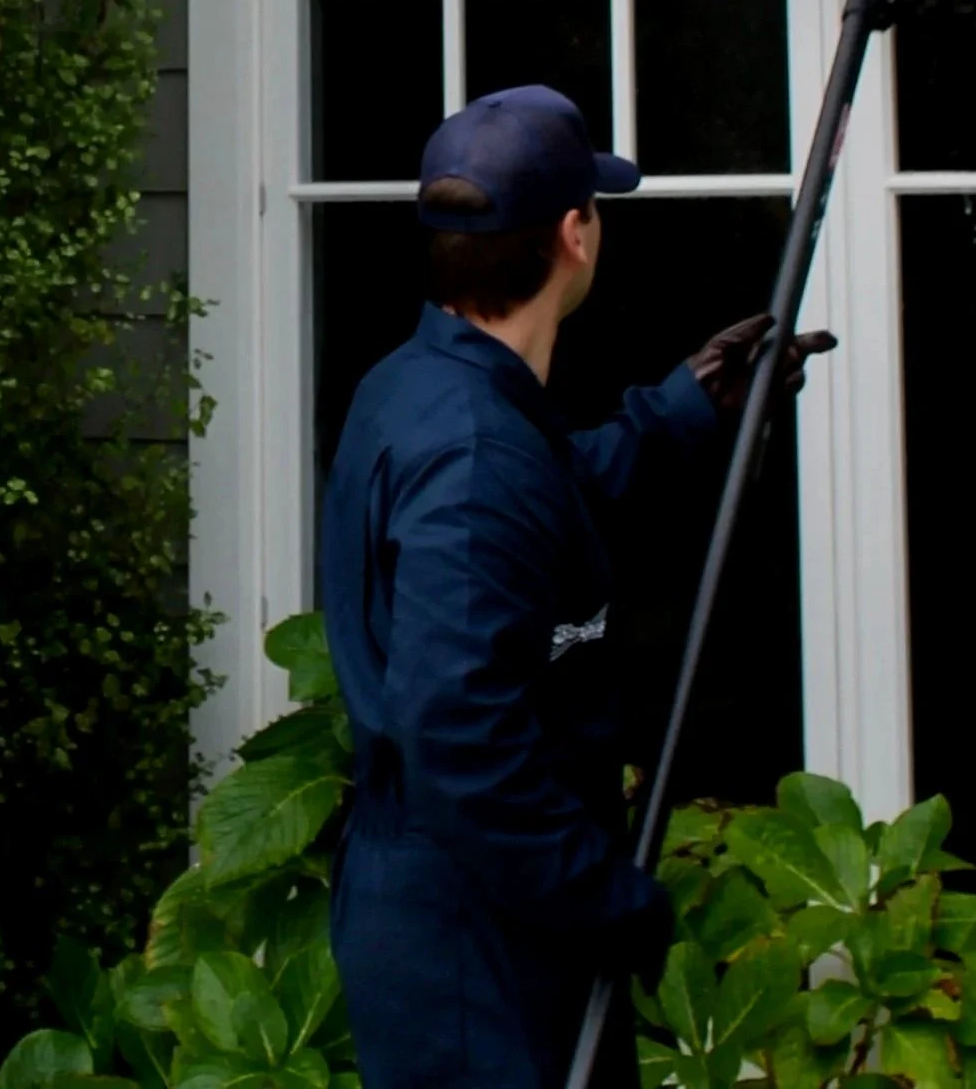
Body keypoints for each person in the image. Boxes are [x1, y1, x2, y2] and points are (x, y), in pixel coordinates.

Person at [319, 86, 836, 1088]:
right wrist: (609, 897)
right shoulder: (474, 451)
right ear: (572, 234)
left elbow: (547, 500)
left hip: (450, 904)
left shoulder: (422, 388)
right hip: (479, 935)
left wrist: (687, 407)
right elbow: (461, 735)